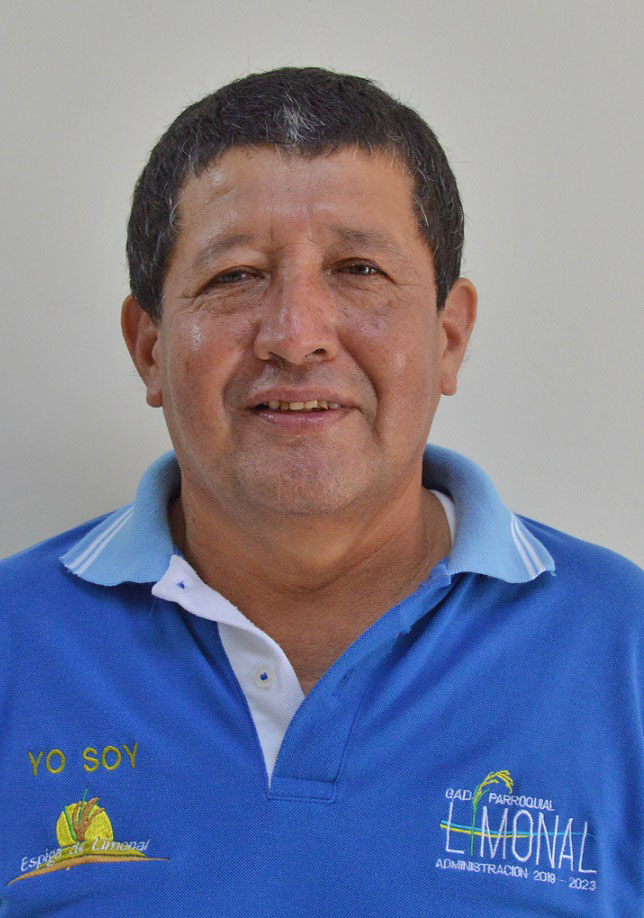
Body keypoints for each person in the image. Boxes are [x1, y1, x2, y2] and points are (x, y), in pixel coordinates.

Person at [0, 67, 641, 917]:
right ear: (149, 346)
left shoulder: (626, 650)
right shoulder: (13, 644)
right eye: (235, 276)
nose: (296, 335)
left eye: (358, 269)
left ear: (449, 337)